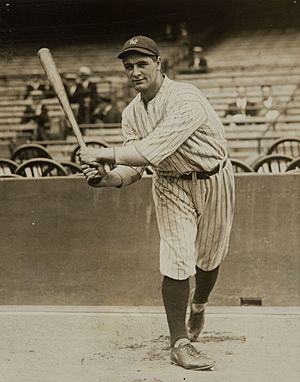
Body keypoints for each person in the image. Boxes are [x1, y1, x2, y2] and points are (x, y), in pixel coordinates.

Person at [78, 35, 235, 371]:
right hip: (169, 185)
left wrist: (102, 152)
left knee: (209, 258)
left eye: (142, 64)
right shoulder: (131, 113)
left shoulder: (186, 98)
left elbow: (154, 149)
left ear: (159, 64)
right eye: (129, 66)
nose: (135, 71)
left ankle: (200, 303)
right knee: (177, 258)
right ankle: (179, 343)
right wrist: (107, 178)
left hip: (214, 177)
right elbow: (135, 166)